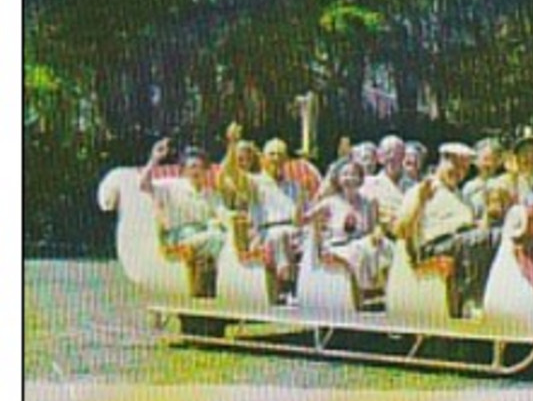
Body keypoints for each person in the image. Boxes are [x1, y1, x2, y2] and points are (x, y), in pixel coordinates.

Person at [394, 143, 499, 319]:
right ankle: (471, 300)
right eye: (455, 165)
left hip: (462, 244)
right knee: (482, 239)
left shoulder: (461, 197)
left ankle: (489, 298)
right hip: (432, 248)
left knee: (499, 236)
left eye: (464, 168)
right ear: (443, 161)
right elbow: (400, 229)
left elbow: (477, 230)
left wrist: (489, 214)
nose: (459, 172)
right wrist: (419, 202)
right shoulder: (424, 189)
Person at [220, 128, 310, 302]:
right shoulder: (255, 182)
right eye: (272, 154)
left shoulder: (295, 186)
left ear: (286, 160)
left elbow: (302, 217)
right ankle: (288, 287)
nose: (276, 159)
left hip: (295, 231)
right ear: (263, 158)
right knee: (280, 236)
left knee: (314, 238)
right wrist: (232, 145)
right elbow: (231, 172)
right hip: (266, 234)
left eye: (280, 155)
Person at [139, 138, 228, 296]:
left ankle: (210, 286)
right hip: (181, 237)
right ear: (184, 170)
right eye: (192, 166)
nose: (196, 171)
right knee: (217, 237)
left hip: (206, 237)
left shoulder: (211, 194)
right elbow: (143, 185)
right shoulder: (171, 186)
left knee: (224, 237)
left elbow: (224, 215)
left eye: (200, 167)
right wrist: (154, 159)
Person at [306, 159, 391, 300]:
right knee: (361, 250)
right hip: (339, 246)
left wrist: (378, 232)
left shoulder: (369, 202)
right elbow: (304, 219)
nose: (349, 178)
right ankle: (367, 289)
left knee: (387, 246)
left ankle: (384, 288)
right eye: (345, 174)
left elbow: (375, 226)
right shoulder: (330, 202)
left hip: (364, 243)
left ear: (360, 178)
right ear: (338, 179)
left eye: (353, 174)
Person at [362, 135, 408, 233]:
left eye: (397, 153)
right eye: (387, 153)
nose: (392, 157)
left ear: (404, 156)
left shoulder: (415, 186)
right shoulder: (368, 184)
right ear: (380, 158)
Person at [461, 137, 507, 221]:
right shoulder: (469, 187)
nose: (488, 164)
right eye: (485, 159)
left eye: (493, 159)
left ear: (499, 162)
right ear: (475, 161)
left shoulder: (503, 183)